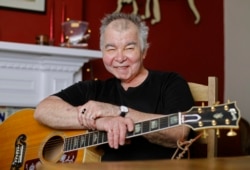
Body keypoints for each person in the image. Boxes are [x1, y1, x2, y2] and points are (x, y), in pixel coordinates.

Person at [34, 12, 194, 161]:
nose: (120, 57)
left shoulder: (170, 82)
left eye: (129, 48)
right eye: (111, 49)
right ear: (103, 52)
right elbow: (43, 110)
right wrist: (101, 121)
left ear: (144, 51)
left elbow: (180, 133)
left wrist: (118, 111)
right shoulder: (93, 88)